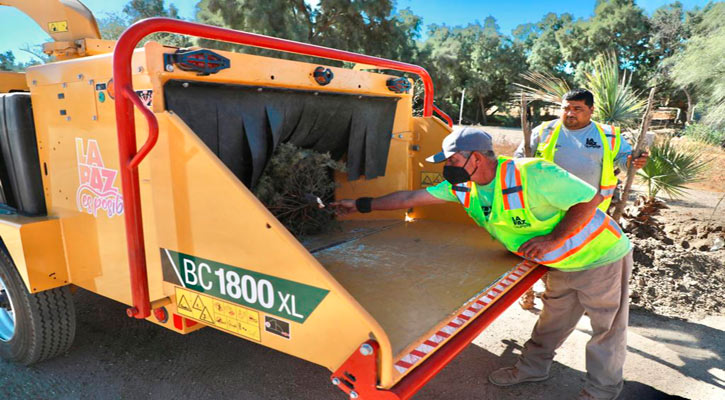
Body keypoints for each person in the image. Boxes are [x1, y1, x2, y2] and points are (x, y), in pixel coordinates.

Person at [332, 127, 633, 400]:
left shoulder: (533, 173)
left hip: (600, 257)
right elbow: (411, 197)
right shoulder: (464, 187)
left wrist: (553, 240)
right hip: (559, 263)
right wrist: (359, 205)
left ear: (475, 158)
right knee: (552, 321)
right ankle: (532, 368)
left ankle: (601, 391)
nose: (446, 168)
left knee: (606, 328)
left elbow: (589, 199)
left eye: (451, 161)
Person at [515, 88, 648, 311]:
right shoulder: (545, 130)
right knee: (537, 251)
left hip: (588, 211)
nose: (570, 113)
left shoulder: (608, 135)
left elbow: (626, 161)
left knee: (577, 253)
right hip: (546, 207)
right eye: (566, 108)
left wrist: (635, 161)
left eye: (577, 109)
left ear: (591, 110)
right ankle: (528, 293)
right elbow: (519, 159)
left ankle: (564, 298)